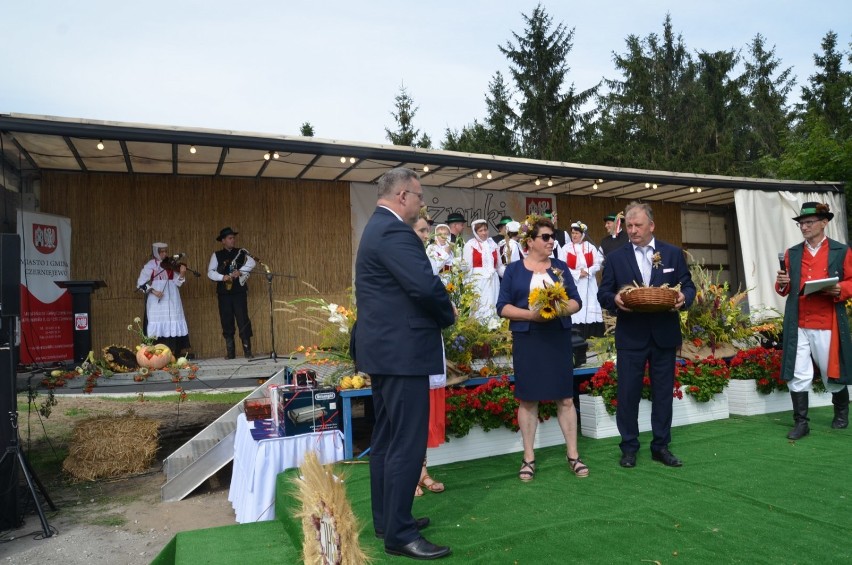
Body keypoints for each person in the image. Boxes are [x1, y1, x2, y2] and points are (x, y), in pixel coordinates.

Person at [352, 167, 455, 560]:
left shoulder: (377, 227)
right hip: (402, 353)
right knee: (406, 443)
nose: (421, 202)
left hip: (387, 352)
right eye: (419, 195)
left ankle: (387, 519)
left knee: (386, 440)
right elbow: (423, 285)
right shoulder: (395, 231)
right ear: (402, 196)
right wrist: (449, 313)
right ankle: (399, 533)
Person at [597, 202, 695, 468]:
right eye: (629, 226)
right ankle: (629, 447)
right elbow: (603, 293)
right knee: (628, 394)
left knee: (663, 394)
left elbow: (688, 285)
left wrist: (684, 297)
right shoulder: (616, 258)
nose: (633, 230)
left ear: (651, 225)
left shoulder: (672, 254)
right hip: (631, 336)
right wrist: (614, 298)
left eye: (638, 225)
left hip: (664, 334)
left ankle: (660, 446)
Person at [497, 216, 586, 481]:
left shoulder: (559, 267)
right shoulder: (513, 270)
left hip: (557, 336)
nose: (552, 241)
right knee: (528, 398)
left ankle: (573, 454)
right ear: (530, 242)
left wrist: (557, 308)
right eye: (545, 237)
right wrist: (530, 315)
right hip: (528, 337)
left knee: (566, 397)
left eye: (553, 236)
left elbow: (576, 301)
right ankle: (528, 458)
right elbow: (502, 306)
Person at [775, 202, 852, 439]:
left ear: (824, 223)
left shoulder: (841, 250)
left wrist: (839, 288)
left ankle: (841, 411)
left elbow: (851, 281)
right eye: (801, 223)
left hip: (827, 321)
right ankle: (801, 422)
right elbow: (783, 289)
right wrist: (782, 281)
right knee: (799, 373)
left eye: (809, 223)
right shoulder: (792, 253)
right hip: (798, 322)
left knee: (832, 373)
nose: (804, 227)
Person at [412, 212, 447, 498]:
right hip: (409, 346)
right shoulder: (405, 259)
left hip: (429, 338)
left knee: (425, 412)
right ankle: (409, 476)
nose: (427, 235)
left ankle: (422, 471)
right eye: (422, 230)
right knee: (411, 415)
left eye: (427, 231)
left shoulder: (425, 257)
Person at [207, 227, 256, 359]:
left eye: (233, 238)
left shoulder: (241, 252)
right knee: (226, 320)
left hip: (239, 291)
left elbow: (252, 262)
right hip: (224, 293)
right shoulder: (216, 255)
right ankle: (231, 352)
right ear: (223, 241)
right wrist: (222, 277)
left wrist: (241, 271)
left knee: (243, 319)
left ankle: (247, 351)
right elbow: (210, 272)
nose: (232, 240)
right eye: (229, 238)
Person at [136, 242, 190, 355]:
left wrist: (182, 274)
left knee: (174, 319)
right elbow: (140, 283)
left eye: (166, 251)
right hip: (156, 299)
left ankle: (175, 351)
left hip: (172, 297)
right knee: (157, 321)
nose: (164, 254)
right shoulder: (150, 265)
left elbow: (178, 283)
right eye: (162, 252)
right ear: (156, 252)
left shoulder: (171, 263)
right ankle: (156, 352)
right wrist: (154, 291)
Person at [559, 221, 605, 338]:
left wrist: (588, 271)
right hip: (575, 282)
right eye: (572, 233)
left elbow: (597, 263)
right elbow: (562, 267)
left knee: (590, 303)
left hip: (589, 282)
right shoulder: (566, 248)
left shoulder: (590, 247)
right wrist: (577, 273)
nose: (574, 235)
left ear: (582, 234)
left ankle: (592, 334)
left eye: (577, 233)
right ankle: (576, 333)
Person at [463, 219, 505, 323]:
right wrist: (468, 285)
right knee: (480, 307)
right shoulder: (470, 245)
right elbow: (467, 267)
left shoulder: (493, 244)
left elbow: (499, 266)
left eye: (485, 230)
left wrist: (510, 275)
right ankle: (480, 331)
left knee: (493, 304)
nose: (484, 233)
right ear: (475, 232)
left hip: (493, 281)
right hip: (478, 281)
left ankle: (494, 330)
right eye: (480, 231)